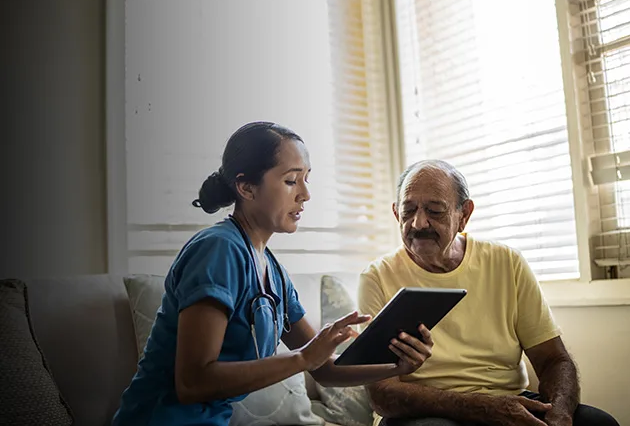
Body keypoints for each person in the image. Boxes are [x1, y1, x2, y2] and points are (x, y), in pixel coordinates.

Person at [112, 122, 434, 426]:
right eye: (292, 180)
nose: (305, 194)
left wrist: (397, 366)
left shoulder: (273, 271)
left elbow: (325, 369)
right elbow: (192, 382)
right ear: (246, 187)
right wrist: (303, 358)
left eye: (307, 179)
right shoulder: (218, 251)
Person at [358, 160, 620, 426]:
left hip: (507, 400)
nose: (418, 222)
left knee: (599, 423)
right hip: (423, 413)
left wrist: (560, 415)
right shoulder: (377, 277)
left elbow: (554, 359)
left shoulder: (507, 262)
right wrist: (481, 408)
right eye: (408, 210)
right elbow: (382, 394)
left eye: (435, 211)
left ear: (464, 215)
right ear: (395, 213)